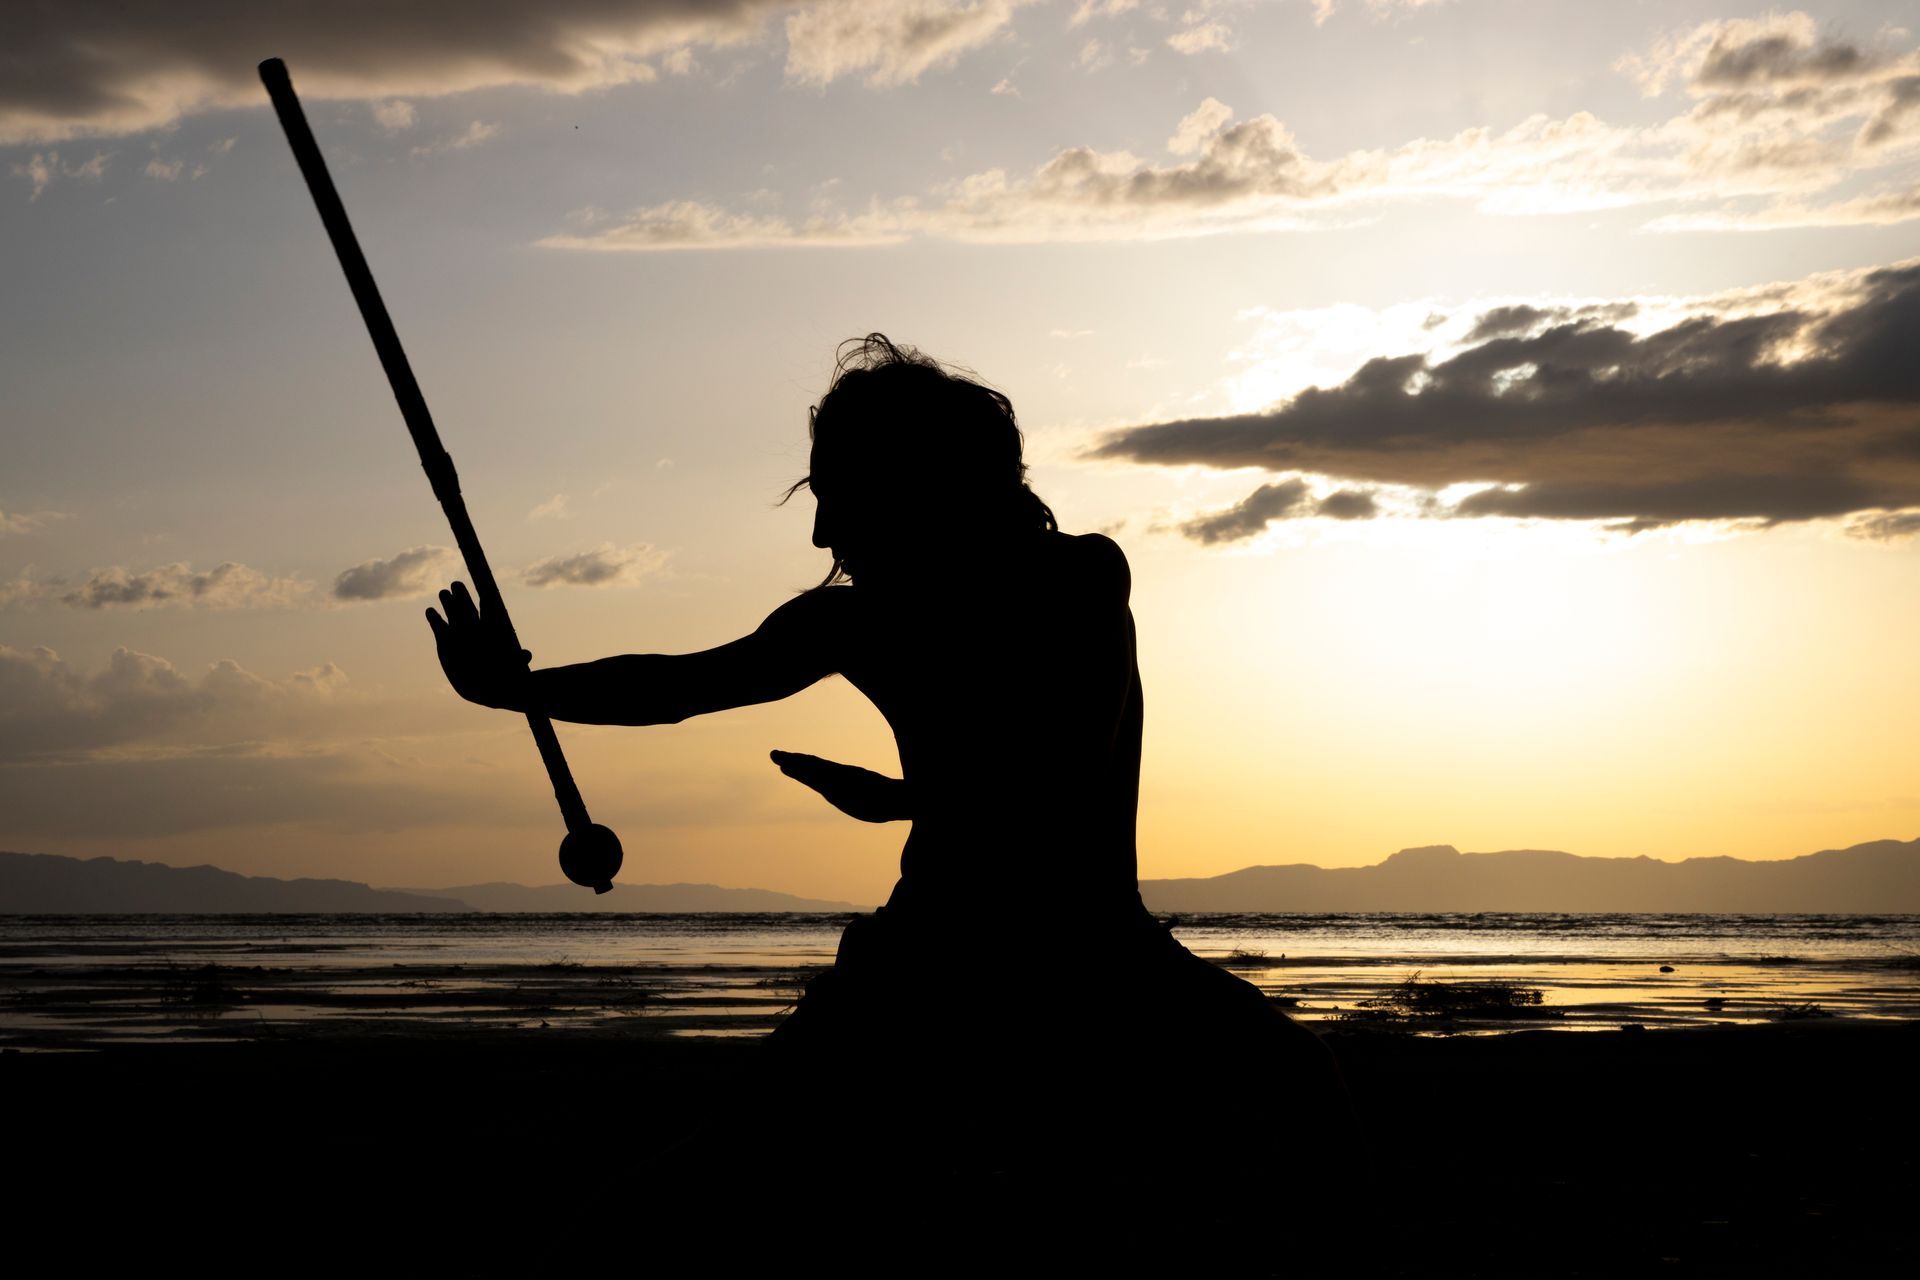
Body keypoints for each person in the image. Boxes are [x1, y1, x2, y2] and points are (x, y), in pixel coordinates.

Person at [427, 334, 1346, 1175]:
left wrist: (912, 798)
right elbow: (679, 686)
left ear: (914, 482)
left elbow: (1059, 770)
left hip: (1076, 958)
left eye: (838, 498)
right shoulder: (860, 620)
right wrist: (516, 691)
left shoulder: (1078, 578)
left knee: (1307, 1111)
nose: (824, 536)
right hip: (946, 963)